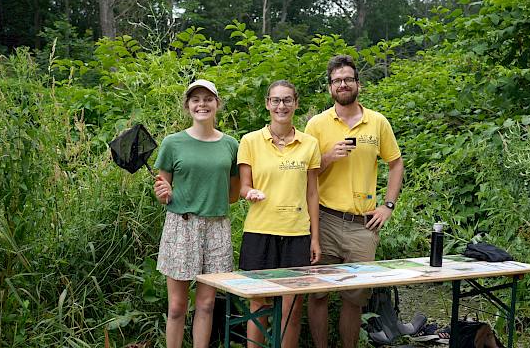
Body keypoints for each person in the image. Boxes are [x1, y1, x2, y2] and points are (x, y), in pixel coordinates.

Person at [304, 55, 405, 348]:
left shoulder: (377, 122)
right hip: (324, 220)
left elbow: (396, 164)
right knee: (319, 294)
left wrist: (388, 206)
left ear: (358, 84)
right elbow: (306, 173)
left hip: (363, 225)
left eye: (348, 79)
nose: (343, 84)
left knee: (354, 298)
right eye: (337, 81)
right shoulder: (317, 125)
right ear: (329, 88)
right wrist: (327, 158)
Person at [153, 79, 241, 348]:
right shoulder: (172, 143)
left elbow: (233, 194)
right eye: (195, 99)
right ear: (187, 106)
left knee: (206, 304)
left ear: (217, 104)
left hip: (217, 227)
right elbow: (161, 189)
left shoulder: (230, 145)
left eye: (207, 99)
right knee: (178, 306)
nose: (201, 104)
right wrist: (163, 193)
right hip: (181, 226)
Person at [237, 80, 321, 348]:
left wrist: (315, 239)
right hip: (259, 231)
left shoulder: (309, 144)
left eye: (287, 100)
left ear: (296, 103)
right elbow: (244, 186)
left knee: (292, 309)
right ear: (267, 104)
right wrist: (249, 193)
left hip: (297, 233)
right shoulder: (250, 141)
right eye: (275, 100)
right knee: (258, 305)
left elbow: (312, 194)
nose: (281, 105)